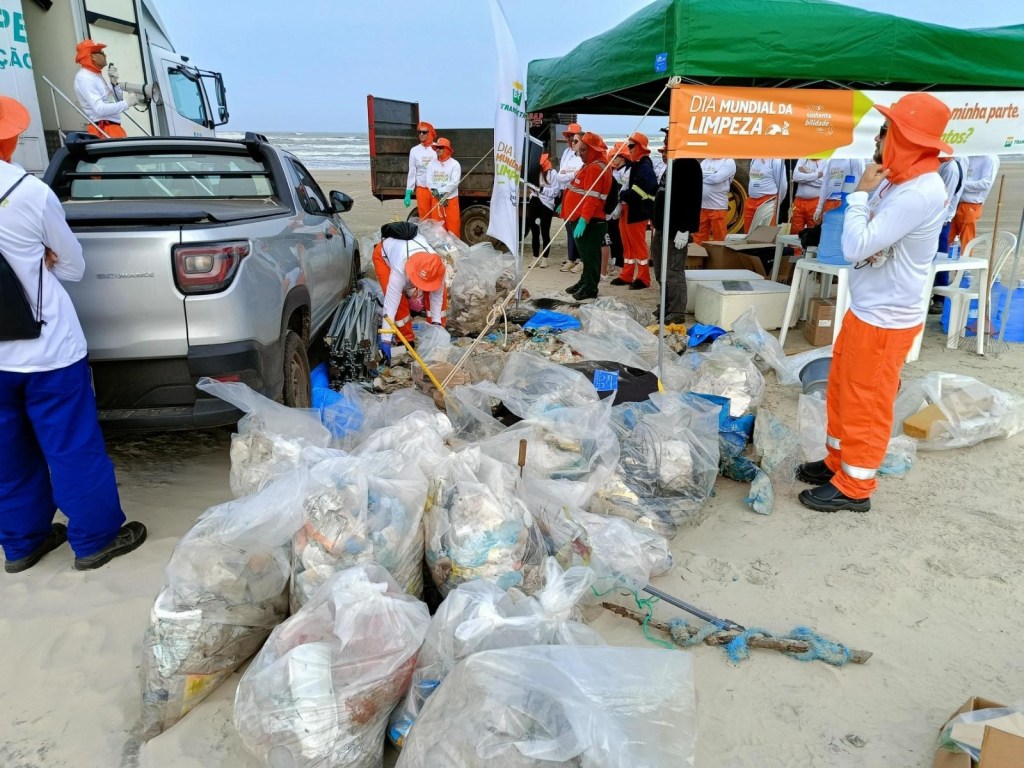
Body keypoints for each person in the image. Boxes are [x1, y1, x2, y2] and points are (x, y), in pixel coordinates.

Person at [0, 95, 147, 572]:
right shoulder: (29, 193)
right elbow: (74, 267)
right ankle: (96, 539)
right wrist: (43, 258)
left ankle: (22, 544)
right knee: (71, 447)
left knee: (7, 454)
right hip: (48, 352)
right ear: (11, 138)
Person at [796, 93, 952, 513]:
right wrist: (870, 192)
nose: (878, 138)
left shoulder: (918, 190)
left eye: (885, 130)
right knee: (843, 391)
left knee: (867, 403)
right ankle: (836, 461)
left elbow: (855, 245)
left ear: (902, 137)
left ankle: (855, 486)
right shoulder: (897, 178)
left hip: (886, 321)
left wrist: (859, 196)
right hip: (867, 311)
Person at [372, 222, 446, 363]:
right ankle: (405, 342)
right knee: (399, 302)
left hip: (413, 259)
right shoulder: (399, 269)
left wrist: (437, 326)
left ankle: (434, 339)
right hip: (384, 256)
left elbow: (437, 298)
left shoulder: (436, 266)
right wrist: (386, 338)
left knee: (441, 296)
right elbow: (390, 304)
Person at [650, 143, 702, 324]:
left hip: (676, 229)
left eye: (666, 150)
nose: (663, 153)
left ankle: (677, 311)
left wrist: (685, 228)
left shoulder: (689, 165)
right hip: (663, 227)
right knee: (660, 269)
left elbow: (692, 199)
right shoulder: (674, 164)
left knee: (673, 270)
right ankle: (666, 305)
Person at [561, 131, 612, 302]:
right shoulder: (591, 165)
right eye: (579, 151)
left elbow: (592, 197)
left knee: (590, 256)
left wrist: (584, 219)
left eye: (583, 151)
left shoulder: (596, 167)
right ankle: (585, 282)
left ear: (592, 150)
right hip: (582, 218)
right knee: (586, 255)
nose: (580, 154)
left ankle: (590, 287)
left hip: (591, 220)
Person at [610, 132, 658, 290]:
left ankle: (643, 278)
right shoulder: (638, 164)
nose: (628, 149)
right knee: (627, 244)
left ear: (639, 147)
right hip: (628, 209)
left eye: (631, 146)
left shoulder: (644, 165)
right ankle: (627, 274)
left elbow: (645, 187)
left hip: (637, 211)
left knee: (637, 244)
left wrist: (624, 195)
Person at [73, 39, 139, 139]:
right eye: (101, 52)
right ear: (92, 56)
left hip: (111, 129)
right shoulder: (85, 78)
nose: (105, 55)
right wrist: (127, 103)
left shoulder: (96, 75)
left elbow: (115, 101)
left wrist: (114, 83)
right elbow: (100, 109)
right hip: (103, 130)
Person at [949, 154, 1000, 248]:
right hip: (955, 201)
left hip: (971, 204)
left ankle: (966, 262)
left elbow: (986, 183)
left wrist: (960, 184)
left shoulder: (990, 158)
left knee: (966, 241)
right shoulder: (967, 155)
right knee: (949, 237)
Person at [556, 123, 584, 273]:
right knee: (568, 227)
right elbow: (560, 177)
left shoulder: (583, 154)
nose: (569, 140)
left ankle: (580, 259)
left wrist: (570, 176)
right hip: (567, 193)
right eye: (567, 137)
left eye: (572, 137)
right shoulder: (567, 153)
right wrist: (571, 175)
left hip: (579, 194)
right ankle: (572, 258)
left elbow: (580, 177)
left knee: (578, 226)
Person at [694, 157, 736, 245]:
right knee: (698, 237)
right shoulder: (705, 161)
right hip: (702, 206)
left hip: (718, 207)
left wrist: (703, 175)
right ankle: (699, 256)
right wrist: (712, 174)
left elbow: (716, 179)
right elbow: (697, 176)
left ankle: (718, 257)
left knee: (719, 238)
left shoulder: (728, 161)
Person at [527, 153, 558, 267]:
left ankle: (545, 258)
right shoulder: (535, 172)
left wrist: (541, 189)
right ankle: (535, 257)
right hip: (534, 201)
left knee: (545, 231)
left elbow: (555, 191)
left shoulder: (553, 173)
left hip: (547, 204)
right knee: (534, 231)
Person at [426, 137, 461, 238]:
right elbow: (429, 182)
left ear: (447, 149)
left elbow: (454, 183)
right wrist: (438, 196)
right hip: (436, 200)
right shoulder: (432, 164)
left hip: (451, 200)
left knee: (453, 227)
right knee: (437, 229)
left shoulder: (455, 164)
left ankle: (455, 249)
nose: (438, 149)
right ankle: (440, 251)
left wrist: (441, 193)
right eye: (436, 147)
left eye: (440, 147)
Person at [404, 122, 439, 221]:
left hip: (436, 189)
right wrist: (408, 192)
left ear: (430, 133)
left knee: (437, 217)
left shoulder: (438, 148)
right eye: (419, 132)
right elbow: (412, 172)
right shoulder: (414, 150)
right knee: (424, 217)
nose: (421, 134)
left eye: (424, 132)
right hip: (422, 189)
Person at [743, 158, 786, 231]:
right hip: (751, 201)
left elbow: (783, 185)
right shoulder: (754, 159)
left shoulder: (776, 161)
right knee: (748, 232)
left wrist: (777, 202)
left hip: (767, 201)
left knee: (764, 234)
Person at [790, 158, 825, 236]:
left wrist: (805, 176)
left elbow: (823, 182)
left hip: (815, 203)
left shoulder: (826, 161)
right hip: (799, 202)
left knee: (813, 231)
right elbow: (795, 177)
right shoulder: (803, 159)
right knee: (795, 230)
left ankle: (808, 248)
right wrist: (817, 175)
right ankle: (795, 248)